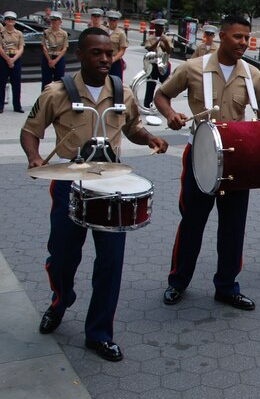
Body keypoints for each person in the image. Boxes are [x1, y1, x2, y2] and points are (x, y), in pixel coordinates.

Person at [20, 27, 168, 361]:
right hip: (69, 184)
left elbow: (133, 128)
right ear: (80, 54)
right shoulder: (57, 93)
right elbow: (30, 131)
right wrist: (33, 156)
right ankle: (61, 300)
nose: (105, 59)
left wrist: (151, 139)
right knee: (61, 257)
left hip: (112, 186)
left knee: (111, 263)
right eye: (97, 53)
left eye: (109, 53)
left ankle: (99, 333)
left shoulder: (122, 92)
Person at [154, 15, 260, 309]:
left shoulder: (253, 75)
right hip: (200, 158)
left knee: (233, 228)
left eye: (247, 38)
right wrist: (170, 115)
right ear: (222, 36)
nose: (243, 43)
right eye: (237, 37)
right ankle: (178, 282)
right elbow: (161, 95)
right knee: (192, 223)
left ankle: (227, 286)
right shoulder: (192, 69)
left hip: (237, 162)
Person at [143, 18, 172, 110]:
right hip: (153, 65)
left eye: (162, 27)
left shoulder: (168, 38)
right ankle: (147, 106)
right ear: (155, 28)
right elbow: (149, 48)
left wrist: (165, 42)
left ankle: (166, 106)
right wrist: (158, 41)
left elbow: (169, 50)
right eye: (159, 27)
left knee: (166, 87)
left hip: (163, 64)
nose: (161, 29)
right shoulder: (150, 38)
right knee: (150, 86)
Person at [0, 11, 25, 113]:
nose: (10, 22)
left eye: (12, 20)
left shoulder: (19, 33)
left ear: (15, 22)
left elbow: (21, 47)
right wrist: (7, 59)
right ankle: (0, 106)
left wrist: (13, 59)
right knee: (1, 82)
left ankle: (17, 106)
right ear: (5, 21)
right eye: (8, 20)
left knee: (16, 83)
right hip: (3, 58)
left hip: (16, 58)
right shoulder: (1, 33)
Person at [40, 11, 69, 91]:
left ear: (60, 21)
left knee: (59, 82)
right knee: (46, 82)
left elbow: (64, 48)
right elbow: (44, 47)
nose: (54, 22)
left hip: (59, 58)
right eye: (52, 20)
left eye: (56, 20)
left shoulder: (64, 33)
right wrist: (50, 60)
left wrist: (56, 60)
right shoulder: (46, 32)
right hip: (48, 57)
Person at [106, 10, 128, 79]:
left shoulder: (121, 33)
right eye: (110, 20)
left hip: (115, 61)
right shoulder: (104, 31)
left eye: (114, 20)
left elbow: (122, 50)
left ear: (117, 21)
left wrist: (114, 59)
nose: (112, 22)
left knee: (116, 83)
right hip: (104, 59)